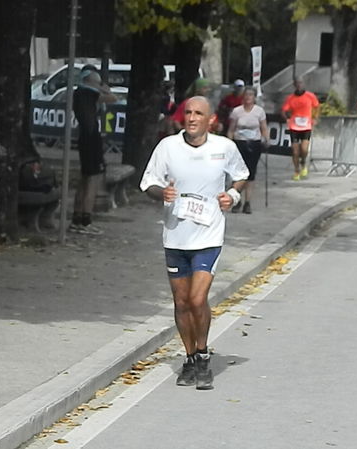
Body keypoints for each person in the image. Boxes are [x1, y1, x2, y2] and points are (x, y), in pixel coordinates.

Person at [140, 96, 249, 390]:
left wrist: (233, 196)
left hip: (208, 235)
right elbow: (148, 182)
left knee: (198, 299)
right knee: (181, 302)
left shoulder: (224, 148)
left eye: (198, 113)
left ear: (210, 119)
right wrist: (160, 193)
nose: (191, 118)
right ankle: (189, 358)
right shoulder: (168, 148)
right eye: (187, 112)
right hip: (175, 235)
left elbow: (240, 177)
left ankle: (203, 355)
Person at [69, 70, 116, 235]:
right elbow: (113, 98)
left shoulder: (79, 94)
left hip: (84, 137)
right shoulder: (89, 92)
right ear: (91, 82)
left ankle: (76, 217)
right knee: (92, 179)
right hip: (91, 139)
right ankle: (85, 220)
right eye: (97, 82)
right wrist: (104, 88)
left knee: (84, 179)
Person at [227, 86, 269, 214]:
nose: (248, 98)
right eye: (246, 95)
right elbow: (231, 129)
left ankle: (247, 202)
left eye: (250, 95)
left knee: (250, 173)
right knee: (238, 173)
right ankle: (236, 200)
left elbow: (264, 128)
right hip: (240, 144)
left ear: (254, 97)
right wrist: (230, 143)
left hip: (254, 144)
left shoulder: (259, 111)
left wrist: (266, 139)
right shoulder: (236, 111)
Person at [281, 78, 319, 180]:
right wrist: (287, 119)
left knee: (304, 149)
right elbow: (284, 110)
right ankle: (296, 171)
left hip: (306, 126)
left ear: (304, 84)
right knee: (295, 151)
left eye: (301, 83)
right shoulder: (290, 98)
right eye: (297, 84)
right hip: (294, 126)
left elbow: (316, 107)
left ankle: (303, 163)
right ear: (294, 85)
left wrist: (315, 118)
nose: (299, 85)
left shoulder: (310, 96)